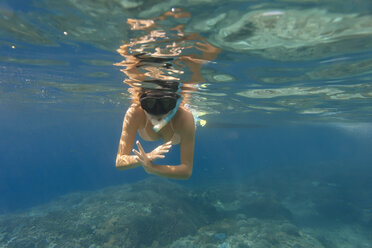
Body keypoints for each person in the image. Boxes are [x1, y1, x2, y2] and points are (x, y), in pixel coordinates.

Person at [115, 88, 196, 180]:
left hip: (183, 128)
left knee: (193, 121)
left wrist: (153, 169)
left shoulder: (184, 117)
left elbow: (187, 170)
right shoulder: (135, 113)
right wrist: (149, 156)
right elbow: (119, 161)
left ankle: (198, 118)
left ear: (173, 104)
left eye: (165, 102)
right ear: (142, 103)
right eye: (150, 103)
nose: (157, 111)